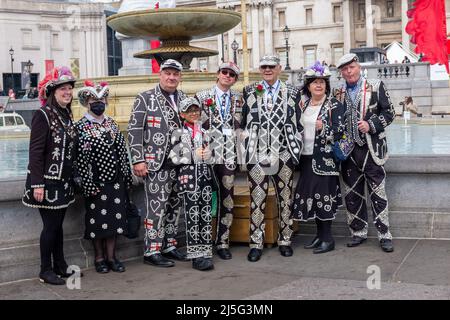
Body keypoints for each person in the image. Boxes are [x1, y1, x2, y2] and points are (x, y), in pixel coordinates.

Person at [240, 55, 303, 262]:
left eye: (271, 66)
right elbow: (243, 122)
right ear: (260, 69)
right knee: (257, 198)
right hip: (258, 154)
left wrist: (295, 151)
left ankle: (285, 240)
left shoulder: (293, 92)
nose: (267, 69)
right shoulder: (249, 90)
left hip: (284, 152)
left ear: (279, 68)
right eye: (264, 66)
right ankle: (256, 243)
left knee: (285, 199)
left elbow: (299, 124)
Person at [128, 59, 188, 267]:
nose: (171, 77)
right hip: (156, 163)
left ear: (180, 77)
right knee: (156, 208)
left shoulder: (185, 98)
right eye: (168, 73)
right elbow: (135, 130)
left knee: (174, 207)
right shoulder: (145, 98)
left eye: (175, 74)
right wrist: (138, 159)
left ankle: (169, 245)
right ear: (160, 75)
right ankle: (151, 250)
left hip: (180, 162)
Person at [22, 66, 78, 285]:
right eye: (62, 89)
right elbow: (35, 152)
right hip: (45, 183)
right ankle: (45, 270)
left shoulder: (65, 115)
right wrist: (37, 184)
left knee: (58, 226)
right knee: (51, 227)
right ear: (53, 92)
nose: (67, 92)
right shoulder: (42, 115)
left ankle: (61, 266)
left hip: (63, 182)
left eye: (69, 89)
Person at [335, 53, 395, 252]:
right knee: (352, 194)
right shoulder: (338, 91)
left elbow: (390, 113)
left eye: (351, 67)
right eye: (344, 69)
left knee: (378, 193)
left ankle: (384, 234)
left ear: (358, 66)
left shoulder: (376, 85)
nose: (348, 72)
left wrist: (371, 124)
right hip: (349, 151)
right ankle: (358, 232)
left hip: (371, 148)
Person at [75, 80, 132, 274]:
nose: (98, 102)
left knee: (115, 220)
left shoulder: (112, 124)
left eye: (101, 99)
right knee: (97, 222)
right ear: (87, 102)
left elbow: (122, 152)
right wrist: (88, 183)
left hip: (115, 181)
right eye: (93, 100)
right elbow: (80, 159)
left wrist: (126, 175)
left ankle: (112, 257)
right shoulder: (81, 126)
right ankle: (99, 258)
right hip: (95, 182)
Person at [291, 61, 346, 254]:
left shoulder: (334, 105)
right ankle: (319, 236)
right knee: (313, 199)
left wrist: (326, 128)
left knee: (324, 198)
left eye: (322, 82)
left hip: (325, 160)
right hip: (306, 158)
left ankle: (328, 239)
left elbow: (342, 131)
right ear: (308, 85)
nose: (318, 85)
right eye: (314, 82)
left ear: (326, 85)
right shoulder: (303, 104)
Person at [195, 62, 242, 260]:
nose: (227, 76)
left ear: (235, 79)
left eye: (232, 74)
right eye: (225, 72)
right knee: (204, 195)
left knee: (227, 197)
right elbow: (195, 121)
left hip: (229, 154)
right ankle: (203, 240)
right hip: (207, 152)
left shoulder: (239, 98)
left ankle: (223, 241)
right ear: (217, 74)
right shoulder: (202, 96)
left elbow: (240, 123)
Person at [169, 97, 215, 271]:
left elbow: (214, 155)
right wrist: (192, 154)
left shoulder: (205, 132)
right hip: (189, 180)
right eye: (190, 111)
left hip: (204, 178)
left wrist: (210, 155)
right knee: (193, 216)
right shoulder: (178, 133)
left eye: (196, 110)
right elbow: (174, 158)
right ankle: (196, 256)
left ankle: (206, 251)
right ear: (182, 114)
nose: (194, 113)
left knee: (205, 214)